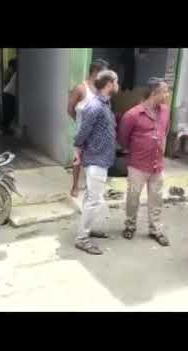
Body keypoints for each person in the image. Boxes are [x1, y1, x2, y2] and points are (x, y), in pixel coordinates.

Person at [118, 77, 171, 246]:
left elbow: (165, 132)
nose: (167, 94)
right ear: (155, 92)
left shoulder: (165, 111)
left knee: (156, 198)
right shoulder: (132, 114)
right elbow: (122, 139)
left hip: (157, 165)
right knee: (133, 197)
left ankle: (155, 229)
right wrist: (138, 149)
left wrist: (160, 148)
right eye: (165, 91)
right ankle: (130, 225)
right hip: (138, 165)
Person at [74, 70, 119, 255]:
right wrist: (77, 148)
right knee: (94, 200)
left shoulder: (104, 104)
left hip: (101, 157)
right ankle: (82, 239)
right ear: (109, 84)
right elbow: (83, 131)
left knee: (90, 198)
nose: (118, 85)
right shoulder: (95, 106)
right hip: (96, 159)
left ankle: (86, 229)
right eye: (116, 81)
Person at [68, 59, 109, 198]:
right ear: (96, 72)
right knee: (77, 158)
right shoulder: (81, 88)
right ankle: (75, 186)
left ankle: (90, 185)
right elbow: (70, 109)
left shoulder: (103, 90)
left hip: (98, 133)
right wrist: (80, 122)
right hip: (82, 131)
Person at [2, 58, 17, 135]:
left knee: (9, 112)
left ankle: (6, 129)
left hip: (8, 93)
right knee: (9, 113)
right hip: (8, 94)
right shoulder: (16, 74)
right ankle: (5, 130)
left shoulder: (15, 73)